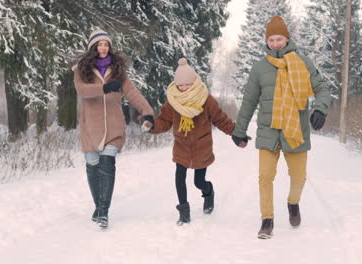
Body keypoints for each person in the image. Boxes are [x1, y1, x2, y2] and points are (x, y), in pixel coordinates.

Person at [231, 16, 331, 239]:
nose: (275, 43)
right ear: (267, 41)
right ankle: (267, 220)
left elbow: (322, 88)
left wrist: (321, 110)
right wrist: (239, 130)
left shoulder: (303, 63)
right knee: (265, 177)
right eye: (271, 39)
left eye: (279, 39)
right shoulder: (259, 68)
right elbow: (249, 101)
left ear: (287, 39)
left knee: (299, 178)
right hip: (268, 129)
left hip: (296, 129)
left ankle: (293, 203)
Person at [73, 29, 154, 228]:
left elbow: (132, 92)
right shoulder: (81, 70)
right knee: (93, 166)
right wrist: (103, 88)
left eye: (106, 44)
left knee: (107, 164)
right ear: (93, 47)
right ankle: (98, 206)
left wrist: (147, 111)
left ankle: (103, 211)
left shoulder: (118, 72)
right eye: (99, 44)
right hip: (90, 127)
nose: (103, 48)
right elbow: (82, 90)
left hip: (114, 126)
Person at [151, 58, 239, 225]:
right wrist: (150, 126)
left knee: (198, 182)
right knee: (179, 177)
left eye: (187, 85)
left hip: (201, 146)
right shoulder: (173, 101)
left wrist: (236, 132)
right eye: (180, 85)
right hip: (181, 145)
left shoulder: (206, 99)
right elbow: (163, 121)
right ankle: (184, 212)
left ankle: (208, 191)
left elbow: (221, 120)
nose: (183, 88)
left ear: (194, 82)